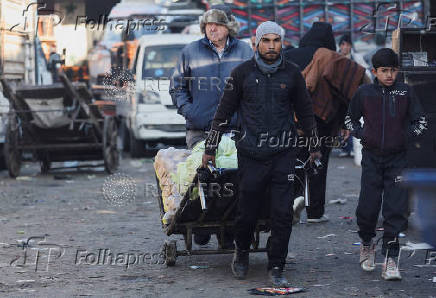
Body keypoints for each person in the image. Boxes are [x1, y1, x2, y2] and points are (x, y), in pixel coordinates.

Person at [202, 21, 321, 287]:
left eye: (275, 41)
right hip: (251, 154)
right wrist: (210, 148)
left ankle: (277, 264)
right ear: (256, 43)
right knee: (247, 211)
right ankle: (241, 252)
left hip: (283, 154)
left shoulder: (292, 74)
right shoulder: (241, 74)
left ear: (282, 43)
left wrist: (314, 146)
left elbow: (305, 113)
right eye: (265, 41)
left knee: (282, 214)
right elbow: (222, 114)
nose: (270, 46)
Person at [170, 4, 252, 247]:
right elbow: (177, 87)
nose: (212, 28)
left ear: (229, 26)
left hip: (235, 130)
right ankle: (200, 224)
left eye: (217, 24)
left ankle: (226, 231)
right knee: (203, 177)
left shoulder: (245, 51)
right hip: (201, 129)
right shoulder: (190, 51)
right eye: (208, 24)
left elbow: (254, 87)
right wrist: (190, 112)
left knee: (233, 179)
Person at [346, 48, 428, 280]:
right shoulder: (364, 93)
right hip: (372, 158)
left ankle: (391, 259)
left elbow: (421, 121)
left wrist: (405, 137)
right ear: (374, 71)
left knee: (396, 209)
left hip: (398, 160)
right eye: (384, 71)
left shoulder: (406, 92)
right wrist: (363, 134)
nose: (389, 75)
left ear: (398, 71)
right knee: (368, 207)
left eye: (393, 70)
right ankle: (367, 243)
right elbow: (349, 118)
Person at [284, 22, 366, 223]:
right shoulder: (333, 59)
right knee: (318, 164)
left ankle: (290, 204)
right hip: (323, 120)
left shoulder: (290, 56)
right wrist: (346, 123)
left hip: (292, 119)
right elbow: (344, 94)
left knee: (294, 162)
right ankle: (315, 212)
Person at [338, 34, 354, 158]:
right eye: (343, 44)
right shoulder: (335, 58)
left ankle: (351, 147)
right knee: (339, 121)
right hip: (338, 94)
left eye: (347, 45)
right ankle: (344, 147)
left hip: (351, 94)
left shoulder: (355, 59)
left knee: (350, 119)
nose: (345, 47)